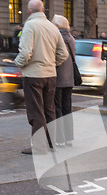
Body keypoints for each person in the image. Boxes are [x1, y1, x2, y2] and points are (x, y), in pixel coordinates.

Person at [15, 0, 69, 155]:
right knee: (49, 109)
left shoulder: (30, 26)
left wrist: (18, 63)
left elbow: (25, 53)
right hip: (50, 74)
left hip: (33, 75)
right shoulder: (53, 27)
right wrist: (52, 63)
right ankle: (51, 142)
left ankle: (39, 147)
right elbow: (63, 54)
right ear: (43, 9)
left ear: (28, 10)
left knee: (36, 111)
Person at [52, 15, 75, 147]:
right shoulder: (71, 39)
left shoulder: (57, 38)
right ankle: (69, 138)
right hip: (69, 78)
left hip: (58, 77)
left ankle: (60, 139)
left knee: (57, 108)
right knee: (67, 108)